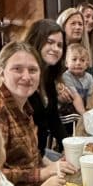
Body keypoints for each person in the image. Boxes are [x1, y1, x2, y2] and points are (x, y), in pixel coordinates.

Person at [0, 41, 76, 186]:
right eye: (17, 69)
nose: (26, 77)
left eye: (32, 70)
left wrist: (51, 166)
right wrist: (41, 174)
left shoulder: (25, 106)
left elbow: (30, 159)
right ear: (2, 73)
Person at [22, 19, 72, 154]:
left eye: (60, 45)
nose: (55, 49)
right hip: (28, 160)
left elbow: (53, 118)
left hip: (41, 153)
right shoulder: (23, 83)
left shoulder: (48, 77)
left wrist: (68, 147)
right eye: (50, 42)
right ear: (36, 41)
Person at [61, 43, 93, 114]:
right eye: (74, 59)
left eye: (82, 60)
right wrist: (85, 115)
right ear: (66, 63)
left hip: (82, 110)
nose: (78, 63)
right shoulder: (66, 77)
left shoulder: (89, 78)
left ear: (87, 64)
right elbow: (75, 97)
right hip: (68, 112)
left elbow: (89, 97)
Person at [76, 2, 93, 76]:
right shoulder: (76, 41)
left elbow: (92, 70)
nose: (91, 21)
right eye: (87, 16)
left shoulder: (92, 41)